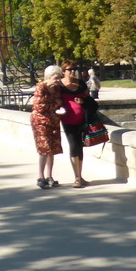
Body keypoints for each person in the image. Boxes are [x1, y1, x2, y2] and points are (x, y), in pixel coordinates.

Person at [59, 60, 91, 188]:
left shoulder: (81, 84)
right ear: (63, 72)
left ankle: (80, 175)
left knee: (80, 146)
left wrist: (83, 100)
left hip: (82, 120)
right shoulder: (59, 85)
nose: (73, 71)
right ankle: (76, 177)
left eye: (74, 69)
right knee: (73, 145)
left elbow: (91, 102)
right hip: (68, 120)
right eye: (69, 69)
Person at [31, 65, 64, 189]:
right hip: (40, 121)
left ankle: (50, 176)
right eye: (56, 78)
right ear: (49, 77)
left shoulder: (56, 88)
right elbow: (39, 107)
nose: (57, 80)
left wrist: (58, 106)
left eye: (59, 78)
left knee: (53, 148)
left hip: (53, 120)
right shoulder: (41, 87)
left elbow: (59, 101)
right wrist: (56, 104)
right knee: (44, 148)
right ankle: (41, 176)